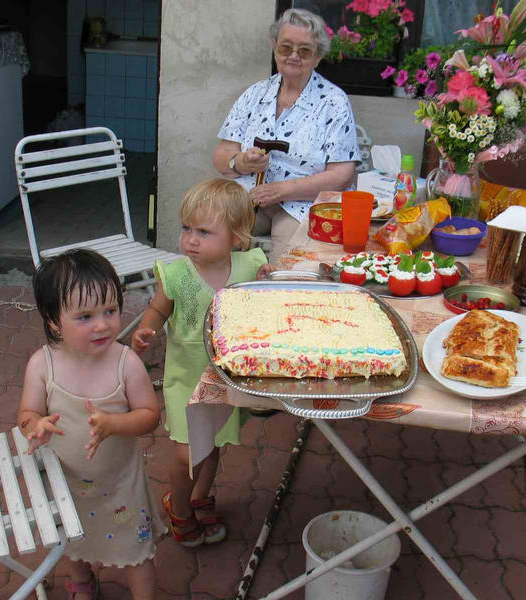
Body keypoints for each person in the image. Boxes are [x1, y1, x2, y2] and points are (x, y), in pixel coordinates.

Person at [131, 177, 275, 547]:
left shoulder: (249, 265)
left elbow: (265, 297)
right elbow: (156, 309)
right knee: (187, 452)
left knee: (211, 447)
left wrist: (268, 282)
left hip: (225, 379)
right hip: (185, 381)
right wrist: (146, 331)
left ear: (237, 238)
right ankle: (178, 506)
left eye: (204, 232)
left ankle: (199, 498)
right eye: (186, 229)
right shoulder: (177, 274)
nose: (191, 239)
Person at [18, 249, 165, 600]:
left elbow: (150, 416)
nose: (102, 324)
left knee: (137, 553)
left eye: (110, 311)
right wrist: (35, 425)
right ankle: (82, 581)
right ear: (54, 321)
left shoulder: (125, 363)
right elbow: (26, 413)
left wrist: (115, 423)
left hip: (120, 486)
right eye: (85, 316)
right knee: (74, 538)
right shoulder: (42, 365)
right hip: (67, 481)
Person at [213, 7, 361, 262]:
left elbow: (342, 174)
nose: (293, 56)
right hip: (251, 196)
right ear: (275, 48)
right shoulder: (255, 94)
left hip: (303, 204)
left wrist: (283, 190)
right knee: (210, 232)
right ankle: (217, 297)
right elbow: (222, 155)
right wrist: (240, 162)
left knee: (287, 264)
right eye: (286, 48)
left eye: (304, 50)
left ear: (317, 57)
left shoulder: (333, 101)